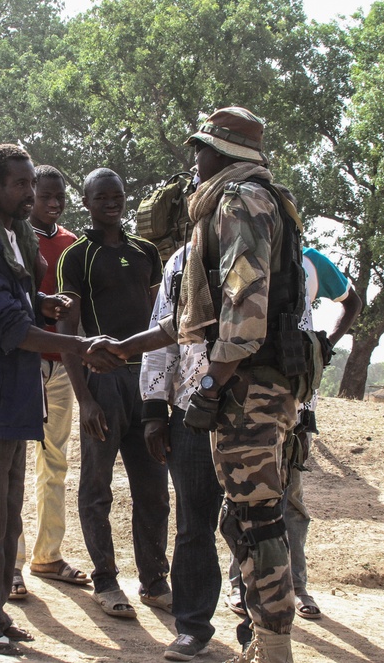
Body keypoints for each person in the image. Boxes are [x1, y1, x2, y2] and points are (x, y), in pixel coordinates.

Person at [90, 106, 310, 662]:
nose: (194, 161)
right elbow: (186, 320)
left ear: (225, 153)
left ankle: (275, 646)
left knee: (257, 521)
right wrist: (123, 350)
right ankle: (264, 638)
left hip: (249, 391)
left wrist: (211, 385)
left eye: (201, 149)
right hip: (249, 386)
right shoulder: (232, 207)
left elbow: (245, 313)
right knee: (243, 519)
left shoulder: (239, 203)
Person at [0, 144, 117, 657]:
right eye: (19, 185)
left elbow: (12, 302)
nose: (29, 193)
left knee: (6, 511)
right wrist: (79, 346)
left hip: (11, 396)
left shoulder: (13, 238)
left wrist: (41, 301)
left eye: (30, 184)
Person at [55, 168, 171, 620]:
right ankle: (105, 581)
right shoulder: (75, 256)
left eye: (117, 196)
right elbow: (67, 332)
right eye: (101, 196)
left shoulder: (146, 252)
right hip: (102, 383)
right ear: (85, 202)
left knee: (153, 489)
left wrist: (165, 389)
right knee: (96, 487)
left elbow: (162, 318)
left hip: (147, 382)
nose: (111, 203)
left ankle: (155, 581)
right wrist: (84, 398)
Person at [226, 247, 362, 621]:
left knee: (293, 498)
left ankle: (296, 586)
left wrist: (325, 346)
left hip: (298, 402)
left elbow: (352, 302)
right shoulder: (242, 257)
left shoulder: (310, 261)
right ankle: (240, 583)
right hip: (247, 398)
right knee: (245, 494)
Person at [138, 243, 224, 661]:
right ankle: (192, 628)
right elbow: (164, 335)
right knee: (194, 524)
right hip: (192, 410)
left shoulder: (277, 246)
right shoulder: (183, 260)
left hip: (259, 413)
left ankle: (259, 628)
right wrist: (154, 410)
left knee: (256, 523)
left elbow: (298, 327)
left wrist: (302, 411)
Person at [10, 164, 89, 601]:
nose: (54, 203)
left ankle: (48, 555)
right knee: (15, 466)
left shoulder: (70, 242)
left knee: (54, 461)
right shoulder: (16, 236)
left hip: (62, 363)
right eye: (46, 196)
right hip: (26, 362)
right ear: (30, 194)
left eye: (60, 197)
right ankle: (12, 562)